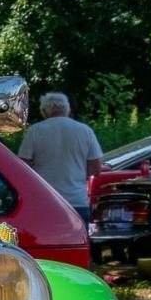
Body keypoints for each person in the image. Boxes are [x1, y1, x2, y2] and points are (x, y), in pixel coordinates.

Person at [18, 92, 102, 223]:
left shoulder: (35, 131)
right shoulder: (85, 131)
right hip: (77, 201)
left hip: (45, 201)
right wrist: (77, 174)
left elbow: (22, 168)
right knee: (78, 242)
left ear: (44, 111)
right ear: (67, 109)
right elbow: (96, 168)